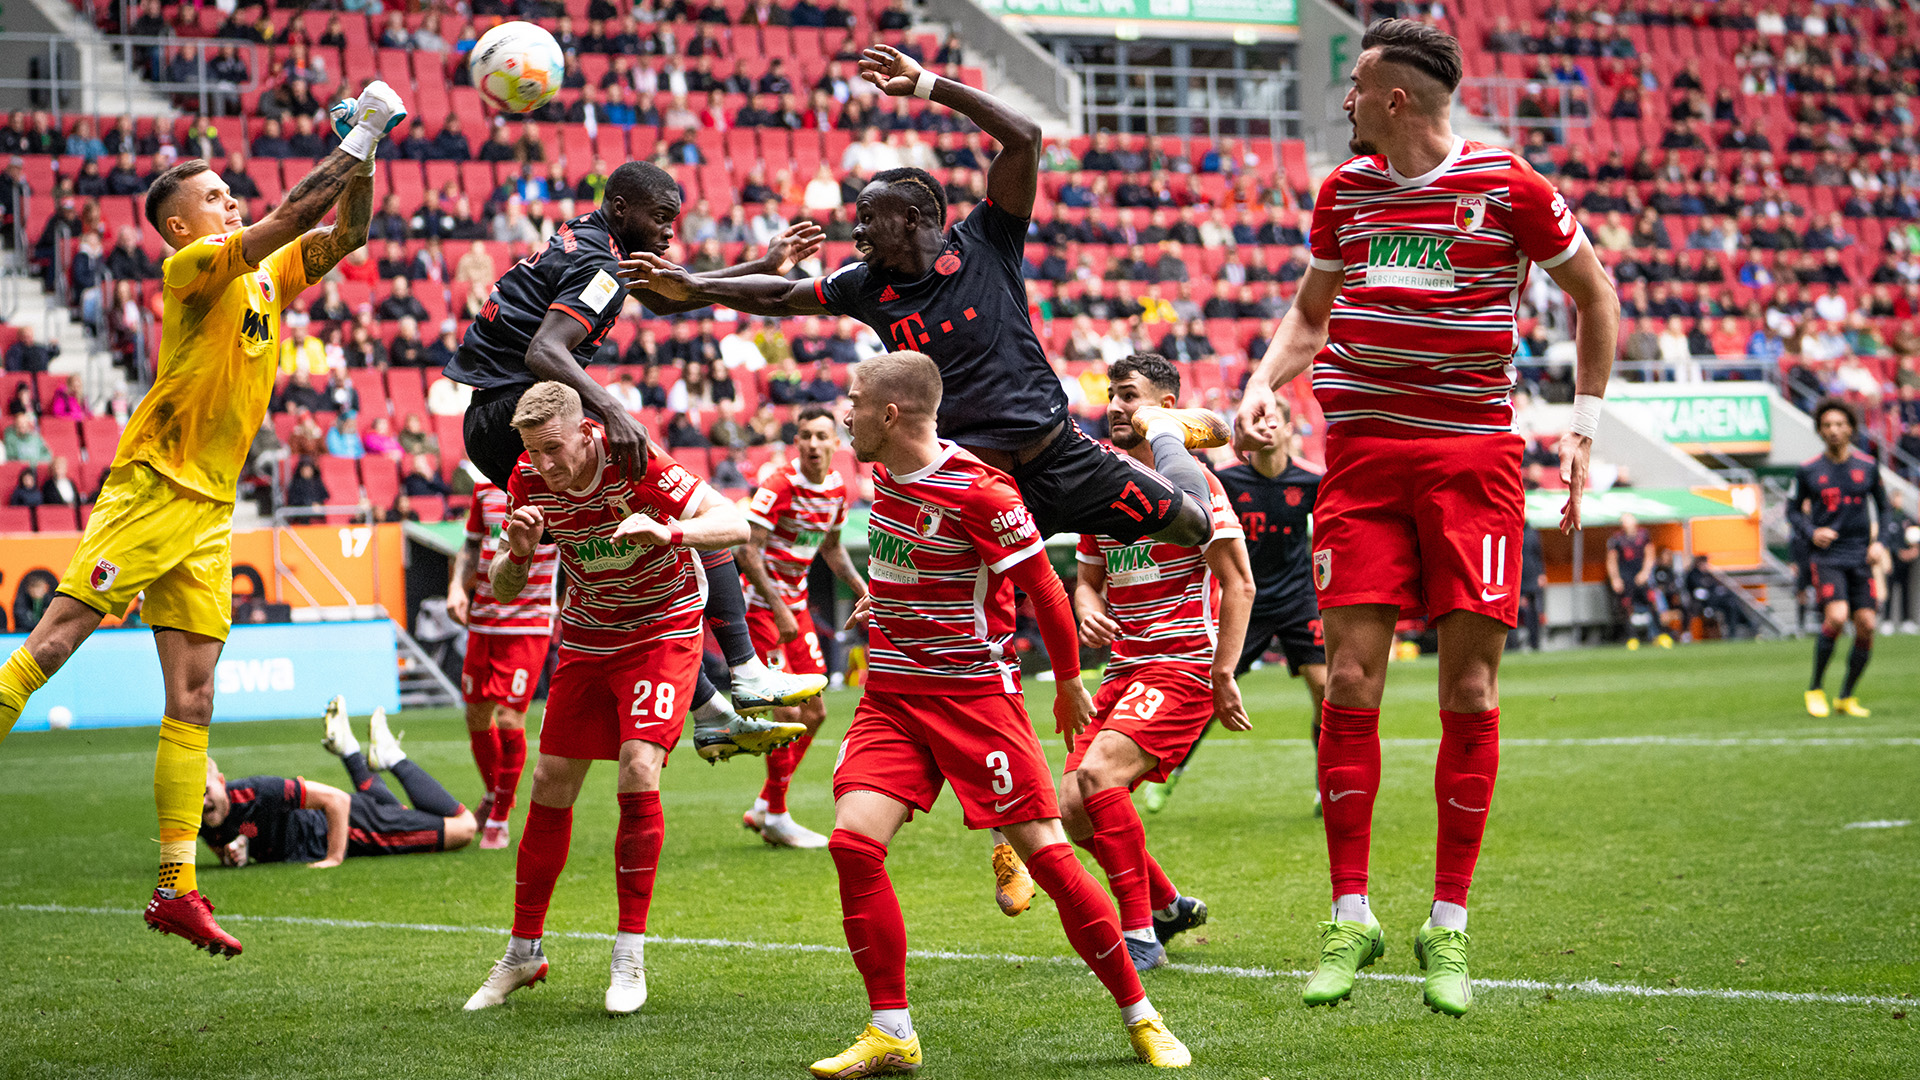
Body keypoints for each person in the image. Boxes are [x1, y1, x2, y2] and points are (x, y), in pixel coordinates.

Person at [1230, 20, 1619, 1016]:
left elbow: (1593, 293)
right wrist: (1263, 380)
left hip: (1470, 459)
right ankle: (1349, 913)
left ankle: (1447, 924)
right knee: (1351, 676)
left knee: (1473, 693)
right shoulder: (1343, 194)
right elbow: (1311, 317)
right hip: (1359, 463)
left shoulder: (1509, 185)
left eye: (1356, 88)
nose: (1346, 103)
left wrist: (1584, 427)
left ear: (1395, 99)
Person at [0, 78, 406, 957]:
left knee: (195, 695)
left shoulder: (261, 276)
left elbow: (347, 232)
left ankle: (176, 888)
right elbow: (293, 216)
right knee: (59, 641)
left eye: (230, 188)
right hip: (152, 485)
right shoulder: (190, 269)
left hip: (214, 509)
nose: (231, 198)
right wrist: (361, 135)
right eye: (214, 195)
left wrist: (365, 153)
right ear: (181, 225)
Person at [621, 43, 1229, 555]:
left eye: (865, 218)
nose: (853, 233)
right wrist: (698, 284)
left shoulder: (987, 240)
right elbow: (782, 295)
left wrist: (930, 86)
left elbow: (1025, 139)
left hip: (1059, 457)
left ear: (912, 217)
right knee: (967, 612)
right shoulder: (866, 287)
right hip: (973, 481)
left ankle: (1165, 430)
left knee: (1196, 526)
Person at [808, 352, 1190, 1075]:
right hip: (891, 695)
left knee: (1049, 855)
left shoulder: (983, 493)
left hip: (973, 700)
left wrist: (1070, 683)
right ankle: (892, 1029)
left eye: (854, 401)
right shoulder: (882, 474)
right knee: (855, 845)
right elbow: (915, 564)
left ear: (890, 415)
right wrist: (885, 601)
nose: (843, 412)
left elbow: (1045, 590)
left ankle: (1142, 1015)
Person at [442, 160, 828, 737]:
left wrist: (765, 265)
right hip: (518, 415)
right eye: (662, 217)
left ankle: (711, 710)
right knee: (684, 506)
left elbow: (671, 298)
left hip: (493, 421)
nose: (671, 231)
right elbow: (546, 350)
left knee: (616, 549)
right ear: (623, 209)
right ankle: (744, 668)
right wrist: (614, 410)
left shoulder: (589, 237)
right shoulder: (599, 263)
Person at [463, 383, 803, 1017]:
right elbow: (506, 588)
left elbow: (735, 523)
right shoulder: (527, 481)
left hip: (662, 627)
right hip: (589, 633)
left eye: (553, 449)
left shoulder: (630, 456)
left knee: (637, 766)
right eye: (533, 451)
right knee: (550, 778)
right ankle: (523, 950)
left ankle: (629, 951)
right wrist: (516, 550)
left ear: (585, 432)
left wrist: (669, 530)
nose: (544, 464)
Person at [1063, 354, 1251, 973]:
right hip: (1121, 668)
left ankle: (1139, 934)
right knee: (1068, 807)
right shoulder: (1101, 484)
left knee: (1098, 781)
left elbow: (1239, 584)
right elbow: (1086, 580)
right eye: (1110, 395)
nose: (1114, 406)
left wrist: (1223, 674)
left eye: (1128, 395)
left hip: (1182, 665)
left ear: (1168, 410)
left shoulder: (1195, 486)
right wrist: (1086, 607)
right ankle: (1168, 906)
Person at [1146, 392, 1325, 815]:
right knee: (1212, 695)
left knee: (1326, 688)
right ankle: (1173, 771)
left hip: (1297, 600)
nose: (1264, 426)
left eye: (1272, 419)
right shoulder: (1226, 480)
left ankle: (1326, 786)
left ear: (1288, 427)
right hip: (1244, 601)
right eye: (1256, 419)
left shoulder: (1310, 481)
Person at [734, 406, 868, 848]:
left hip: (795, 606)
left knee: (814, 713)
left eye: (821, 436)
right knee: (787, 710)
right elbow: (746, 551)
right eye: (805, 436)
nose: (812, 444)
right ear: (797, 442)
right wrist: (779, 607)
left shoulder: (835, 490)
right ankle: (775, 814)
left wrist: (859, 585)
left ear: (836, 444)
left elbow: (830, 548)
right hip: (760, 606)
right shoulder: (779, 484)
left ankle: (766, 805)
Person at [203, 697, 476, 868]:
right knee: (394, 811)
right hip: (352, 824)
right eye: (193, 796)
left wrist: (334, 858)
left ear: (221, 781)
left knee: (464, 829)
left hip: (353, 829)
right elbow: (248, 829)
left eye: (205, 791)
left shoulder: (259, 790)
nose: (202, 802)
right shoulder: (199, 818)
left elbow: (337, 800)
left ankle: (393, 758)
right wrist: (240, 846)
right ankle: (353, 752)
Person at [447, 480, 559, 850]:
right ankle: (495, 795)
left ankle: (499, 815)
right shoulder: (484, 490)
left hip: (528, 623)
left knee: (510, 719)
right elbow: (469, 544)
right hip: (482, 620)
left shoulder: (556, 488)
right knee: (476, 716)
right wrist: (456, 589)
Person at [1790, 398, 1890, 717]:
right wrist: (1811, 532)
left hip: (1861, 554)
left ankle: (1845, 696)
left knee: (1867, 625)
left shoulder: (1868, 466)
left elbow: (1886, 508)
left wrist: (1880, 543)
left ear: (1850, 429)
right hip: (1827, 556)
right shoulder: (1808, 470)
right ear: (1820, 431)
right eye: (1827, 425)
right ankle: (1815, 688)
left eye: (1839, 425)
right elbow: (1792, 511)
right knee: (1836, 616)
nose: (1833, 430)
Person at [1607, 511, 1669, 648]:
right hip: (1626, 577)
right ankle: (1631, 637)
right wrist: (1615, 579)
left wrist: (1645, 573)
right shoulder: (1617, 539)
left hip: (1641, 576)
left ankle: (1660, 634)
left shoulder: (1644, 536)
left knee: (1652, 603)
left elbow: (1650, 555)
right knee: (1627, 607)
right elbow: (1611, 560)